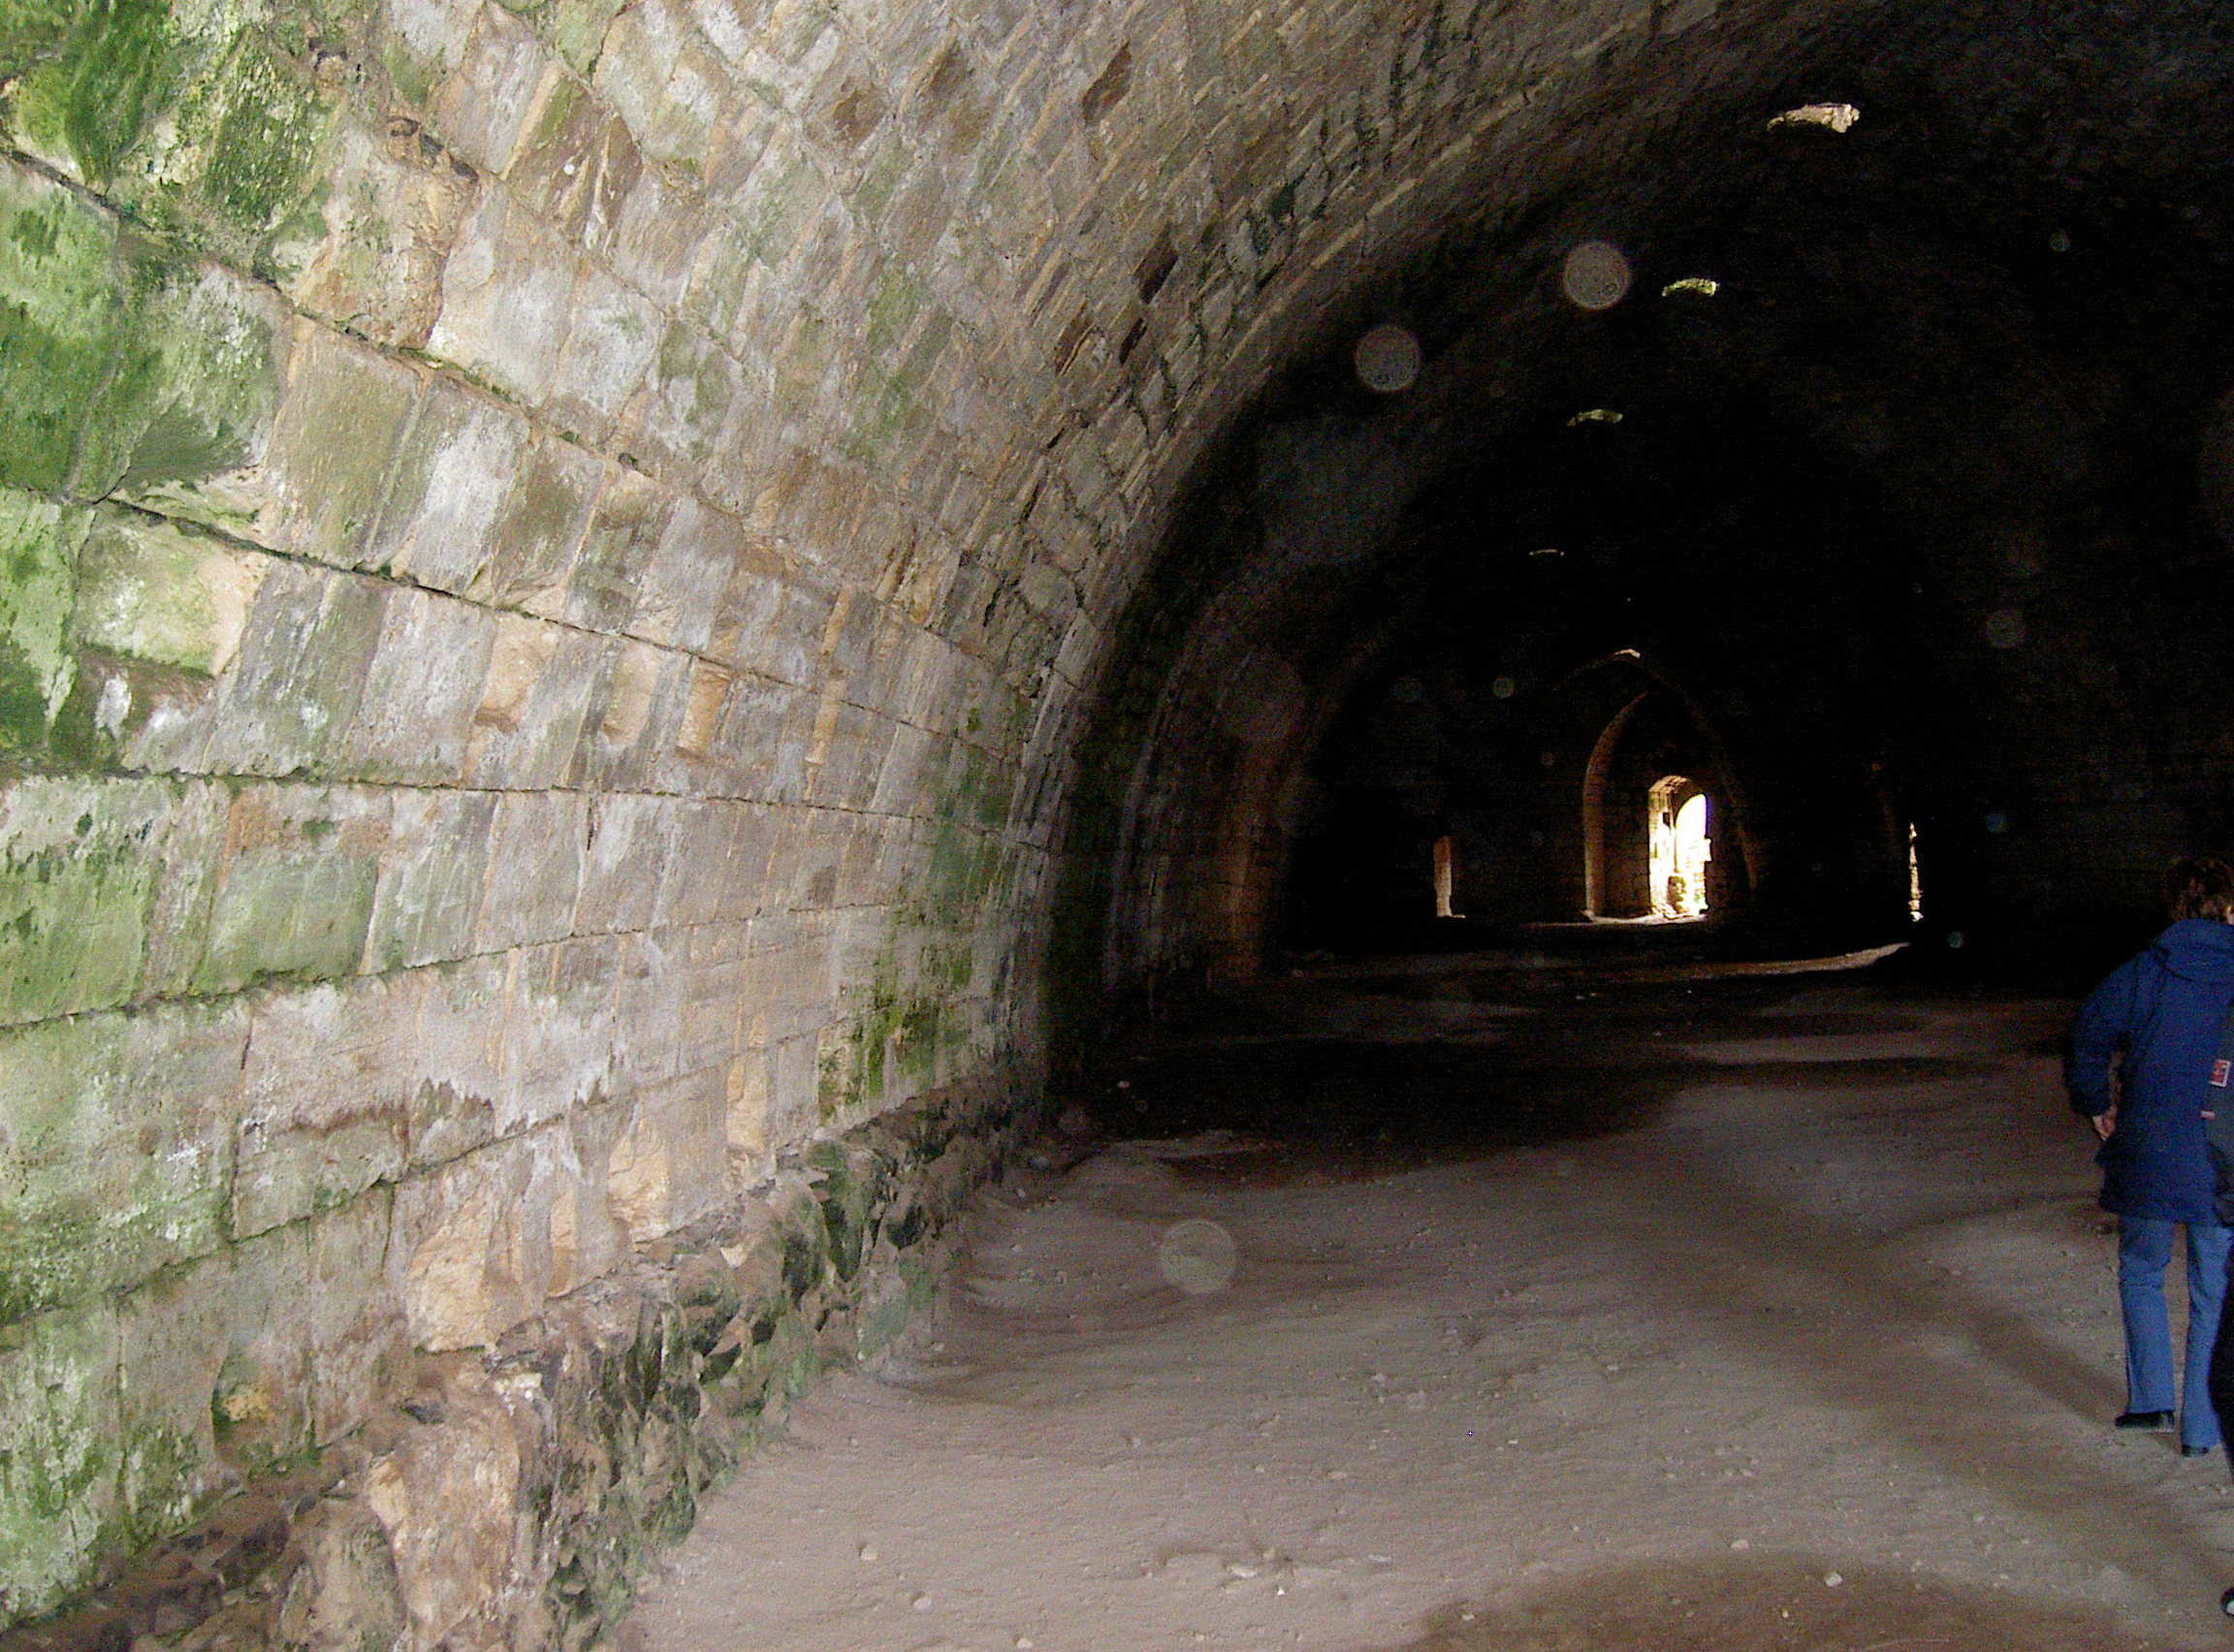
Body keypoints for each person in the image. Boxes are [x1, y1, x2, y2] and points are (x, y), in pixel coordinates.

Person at [2067, 855, 2234, 1459]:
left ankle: (2151, 1403)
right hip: (2223, 1154)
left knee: (2142, 1269)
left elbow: (2088, 1033)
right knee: (2215, 1290)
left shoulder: (2143, 971)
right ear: (2229, 907)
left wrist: (2096, 1104)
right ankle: (2202, 1430)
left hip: (2151, 1147)